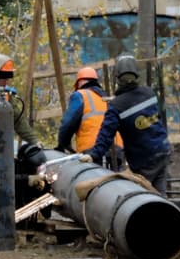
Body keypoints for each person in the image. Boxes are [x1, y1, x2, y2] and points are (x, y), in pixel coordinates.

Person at [85, 54, 172, 195]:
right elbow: (159, 118)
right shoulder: (149, 93)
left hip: (144, 160)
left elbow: (106, 135)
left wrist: (94, 155)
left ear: (117, 78)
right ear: (136, 74)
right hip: (162, 150)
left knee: (145, 199)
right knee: (160, 195)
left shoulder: (116, 106)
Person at [57, 66, 122, 154]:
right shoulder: (107, 97)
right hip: (117, 150)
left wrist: (63, 143)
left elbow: (67, 124)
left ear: (80, 82)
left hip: (92, 150)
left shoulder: (80, 95)